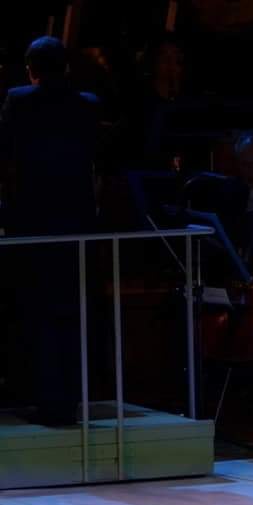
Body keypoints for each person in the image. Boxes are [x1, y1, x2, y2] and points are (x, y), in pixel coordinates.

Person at [0, 36, 100, 425]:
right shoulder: (88, 104)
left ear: (31, 70)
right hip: (76, 223)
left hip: (33, 223)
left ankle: (44, 399)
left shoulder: (18, 100)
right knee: (71, 311)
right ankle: (68, 401)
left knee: (37, 310)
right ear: (67, 68)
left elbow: (6, 153)